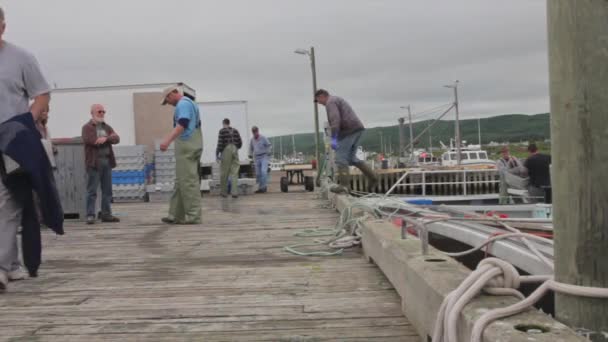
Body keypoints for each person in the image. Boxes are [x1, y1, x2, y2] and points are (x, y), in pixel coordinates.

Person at [0, 6, 53, 290]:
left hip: (12, 140)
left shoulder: (21, 58)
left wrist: (26, 122)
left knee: (7, 202)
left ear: (3, 27)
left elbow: (42, 93)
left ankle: (1, 267)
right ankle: (12, 264)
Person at [314, 89, 378, 193]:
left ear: (321, 96)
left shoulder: (330, 102)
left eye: (318, 100)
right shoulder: (337, 99)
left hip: (348, 131)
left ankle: (344, 185)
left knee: (340, 158)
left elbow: (335, 120)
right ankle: (373, 178)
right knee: (351, 158)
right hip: (357, 129)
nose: (319, 103)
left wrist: (334, 138)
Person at [159, 86, 203, 224]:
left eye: (168, 99)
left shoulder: (183, 104)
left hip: (186, 145)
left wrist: (167, 140)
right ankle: (175, 215)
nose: (169, 103)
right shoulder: (189, 103)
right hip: (192, 143)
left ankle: (194, 216)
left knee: (188, 182)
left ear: (173, 93)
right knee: (180, 181)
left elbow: (182, 123)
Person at [81, 104, 121, 224]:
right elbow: (92, 140)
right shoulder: (87, 127)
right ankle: (90, 215)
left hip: (107, 161)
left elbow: (117, 138)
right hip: (94, 162)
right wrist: (108, 138)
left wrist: (106, 138)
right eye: (99, 111)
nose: (102, 113)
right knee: (92, 190)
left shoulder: (107, 126)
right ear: (92, 113)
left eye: (103, 111)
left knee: (107, 191)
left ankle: (106, 214)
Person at [216, 118, 243, 198]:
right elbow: (240, 142)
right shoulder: (235, 131)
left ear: (224, 123)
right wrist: (236, 147)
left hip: (226, 150)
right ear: (229, 123)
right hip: (235, 150)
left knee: (224, 172)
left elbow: (220, 143)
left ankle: (224, 192)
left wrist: (217, 153)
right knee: (234, 172)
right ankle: (234, 192)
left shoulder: (222, 131)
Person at [249, 126, 272, 194]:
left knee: (263, 172)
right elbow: (251, 148)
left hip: (264, 156)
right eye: (253, 132)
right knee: (258, 174)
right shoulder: (252, 140)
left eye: (255, 131)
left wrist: (269, 151)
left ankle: (263, 187)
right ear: (252, 132)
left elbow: (269, 145)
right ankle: (260, 188)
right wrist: (250, 154)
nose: (255, 133)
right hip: (256, 157)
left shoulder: (263, 138)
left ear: (258, 131)